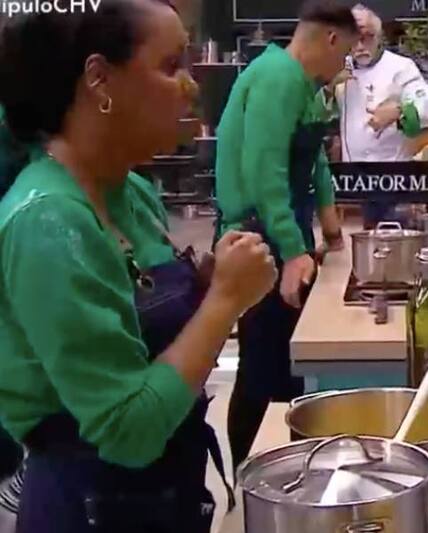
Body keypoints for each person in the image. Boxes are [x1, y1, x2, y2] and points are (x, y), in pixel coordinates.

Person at [0, 2, 277, 532]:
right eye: (171, 66)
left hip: (165, 498)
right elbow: (127, 431)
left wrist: (208, 285)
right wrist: (223, 302)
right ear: (99, 80)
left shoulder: (130, 192)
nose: (191, 86)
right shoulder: (49, 221)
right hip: (90, 510)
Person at [214, 0, 357, 474]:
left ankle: (290, 474)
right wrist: (293, 251)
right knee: (262, 367)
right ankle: (247, 479)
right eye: (344, 54)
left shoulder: (305, 86)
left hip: (285, 230)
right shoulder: (277, 77)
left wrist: (329, 224)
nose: (343, 66)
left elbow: (314, 160)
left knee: (290, 367)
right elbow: (264, 170)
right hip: (255, 237)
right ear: (330, 39)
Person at [329, 3, 428, 228]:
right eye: (354, 39)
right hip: (356, 180)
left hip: (393, 179)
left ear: (379, 37)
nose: (360, 46)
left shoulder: (400, 67)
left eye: (367, 38)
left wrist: (399, 112)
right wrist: (329, 86)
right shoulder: (338, 69)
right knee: (367, 240)